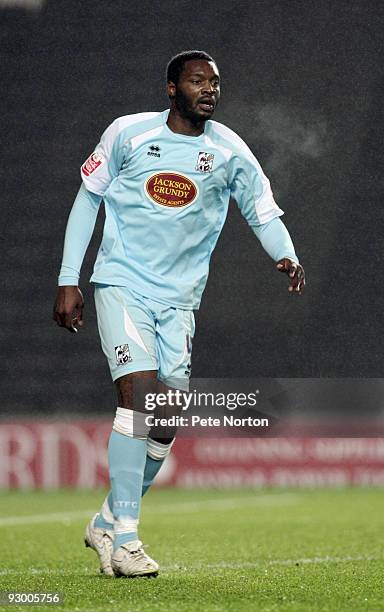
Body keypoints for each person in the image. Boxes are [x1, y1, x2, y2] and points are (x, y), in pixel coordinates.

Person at [53, 50, 305, 578]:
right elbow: (87, 200)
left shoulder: (230, 151)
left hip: (180, 302)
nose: (209, 89)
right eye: (197, 81)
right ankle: (125, 540)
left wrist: (286, 253)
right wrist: (68, 279)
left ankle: (103, 522)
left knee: (166, 422)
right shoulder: (127, 134)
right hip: (121, 285)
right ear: (172, 88)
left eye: (214, 82)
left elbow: (262, 209)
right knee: (139, 401)